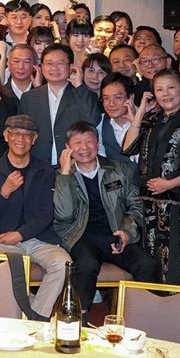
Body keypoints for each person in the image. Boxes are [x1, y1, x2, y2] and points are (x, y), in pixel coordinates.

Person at [54, 122, 160, 310]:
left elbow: (137, 206)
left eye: (89, 141)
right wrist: (65, 174)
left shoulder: (120, 169)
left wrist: (127, 233)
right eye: (77, 143)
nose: (84, 148)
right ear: (67, 148)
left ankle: (144, 317)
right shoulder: (59, 175)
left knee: (147, 264)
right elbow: (64, 214)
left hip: (116, 235)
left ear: (98, 143)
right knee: (86, 265)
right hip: (79, 238)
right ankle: (78, 317)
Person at [122, 69, 180, 287]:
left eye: (171, 87)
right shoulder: (151, 119)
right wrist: (140, 111)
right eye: (159, 89)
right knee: (153, 258)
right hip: (151, 202)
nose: (165, 94)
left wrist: (170, 183)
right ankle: (156, 304)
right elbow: (128, 148)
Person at [0, 114, 70, 316]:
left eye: (27, 135)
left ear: (34, 139)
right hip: (3, 239)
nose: (20, 139)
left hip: (39, 239)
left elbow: (47, 213)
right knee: (12, 268)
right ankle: (30, 313)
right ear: (6, 136)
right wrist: (3, 193)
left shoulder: (44, 170)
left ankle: (37, 316)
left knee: (63, 264)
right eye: (15, 133)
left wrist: (20, 234)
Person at [19, 44, 103, 162]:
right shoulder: (29, 98)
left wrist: (79, 87)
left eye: (60, 63)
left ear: (71, 67)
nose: (54, 68)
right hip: (38, 164)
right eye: (49, 63)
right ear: (42, 67)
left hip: (74, 163)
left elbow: (92, 122)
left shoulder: (84, 95)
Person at [96, 74, 136, 162]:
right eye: (106, 98)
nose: (111, 104)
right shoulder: (100, 122)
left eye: (117, 97)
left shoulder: (147, 119)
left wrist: (135, 122)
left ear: (131, 97)